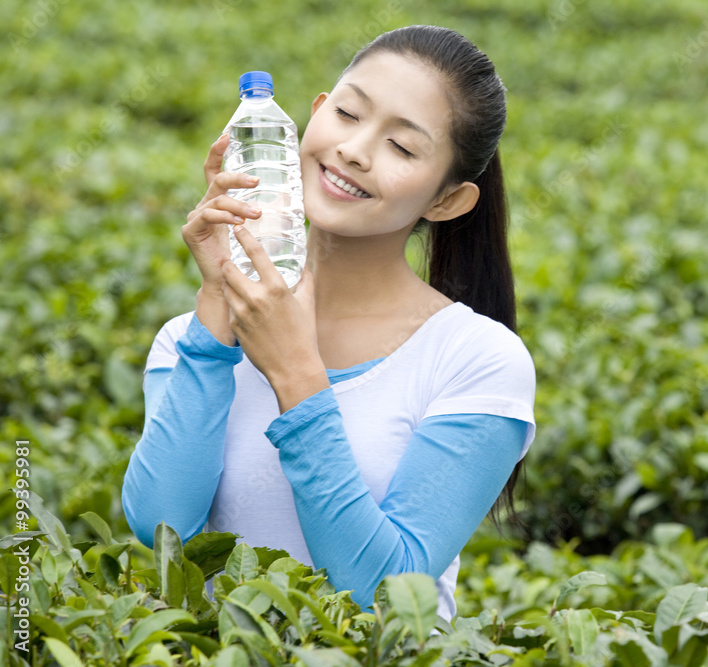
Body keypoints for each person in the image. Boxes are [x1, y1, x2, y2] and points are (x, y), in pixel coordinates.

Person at [121, 25, 536, 621]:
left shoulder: (477, 360)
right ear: (311, 117)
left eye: (402, 147)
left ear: (448, 201)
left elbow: (392, 597)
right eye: (347, 113)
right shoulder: (188, 341)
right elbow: (161, 530)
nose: (356, 150)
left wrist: (296, 375)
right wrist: (215, 311)